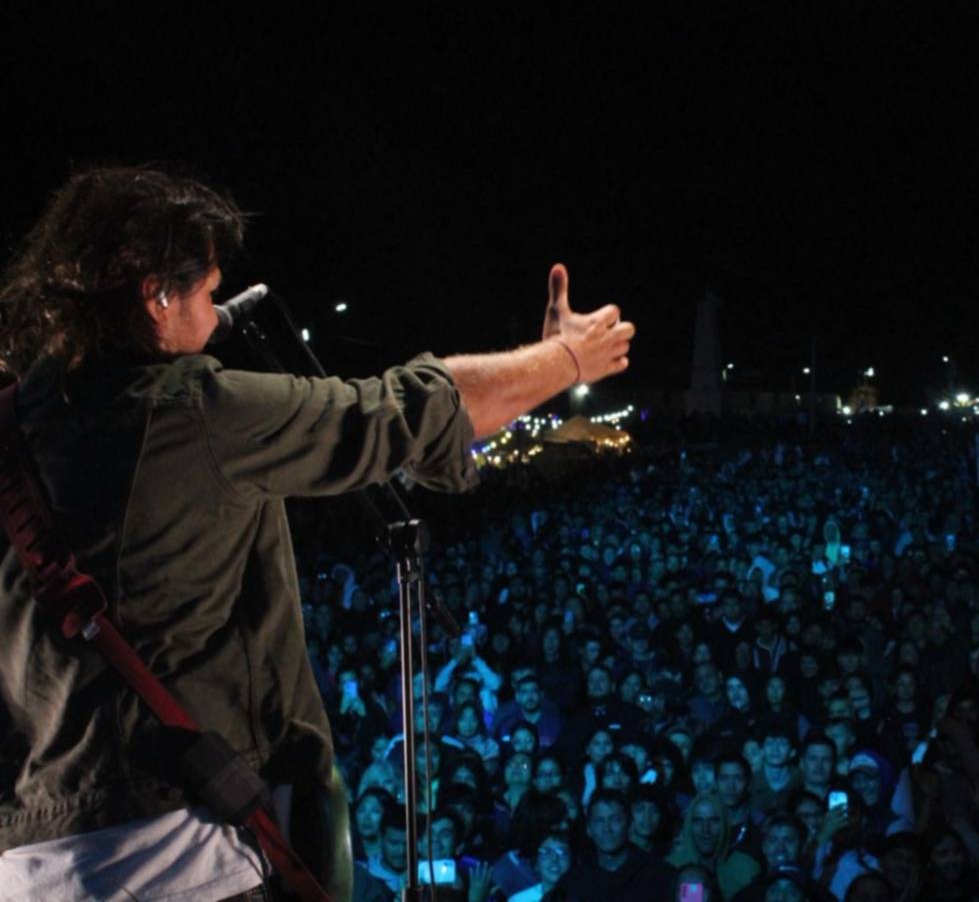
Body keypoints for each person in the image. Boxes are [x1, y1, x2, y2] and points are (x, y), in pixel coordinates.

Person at [0, 168, 635, 900]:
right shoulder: (190, 413)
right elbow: (402, 411)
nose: (214, 321)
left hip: (30, 862)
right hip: (171, 856)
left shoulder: (13, 426)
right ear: (156, 294)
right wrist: (566, 358)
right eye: (206, 292)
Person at [557, 789, 675, 900]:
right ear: (589, 828)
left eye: (615, 820)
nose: (606, 828)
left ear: (629, 823)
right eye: (599, 821)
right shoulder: (574, 882)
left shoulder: (660, 876)